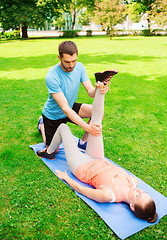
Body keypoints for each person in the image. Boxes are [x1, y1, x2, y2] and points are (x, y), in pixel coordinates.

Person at [37, 73, 157, 223]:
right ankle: (101, 84)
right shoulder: (134, 182)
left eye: (139, 195)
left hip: (81, 166)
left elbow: (83, 190)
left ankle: (48, 152)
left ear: (132, 206)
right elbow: (136, 187)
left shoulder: (109, 195)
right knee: (97, 124)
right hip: (98, 157)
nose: (139, 190)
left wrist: (66, 177)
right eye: (143, 192)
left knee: (63, 128)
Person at [41, 40, 110, 152]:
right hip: (53, 115)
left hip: (70, 106)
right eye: (67, 62)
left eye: (74, 60)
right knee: (54, 150)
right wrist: (88, 127)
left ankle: (83, 142)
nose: (71, 65)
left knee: (97, 113)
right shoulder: (52, 76)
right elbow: (65, 108)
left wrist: (99, 88)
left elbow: (90, 92)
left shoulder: (79, 67)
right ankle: (42, 126)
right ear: (59, 57)